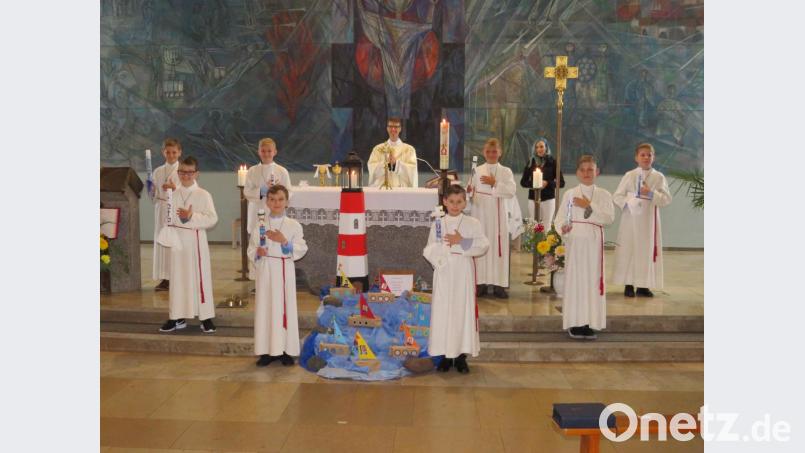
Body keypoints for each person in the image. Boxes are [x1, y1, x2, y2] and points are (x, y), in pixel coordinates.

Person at [423, 184, 489, 373]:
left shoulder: (472, 223)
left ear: (464, 202)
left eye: (459, 201)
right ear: (444, 202)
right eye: (451, 201)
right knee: (443, 311)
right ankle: (444, 356)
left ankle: (460, 356)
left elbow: (483, 245)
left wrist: (461, 242)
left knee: (461, 311)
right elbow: (429, 249)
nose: (454, 205)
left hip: (462, 272)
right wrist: (443, 256)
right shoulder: (437, 223)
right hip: (444, 272)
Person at [247, 185, 308, 366]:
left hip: (283, 270)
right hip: (266, 270)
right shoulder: (260, 225)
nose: (276, 203)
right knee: (266, 308)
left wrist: (284, 242)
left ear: (287, 202)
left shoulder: (293, 225)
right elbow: (252, 248)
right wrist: (257, 252)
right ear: (267, 202)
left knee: (284, 309)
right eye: (272, 200)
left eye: (281, 199)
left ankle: (285, 350)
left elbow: (301, 248)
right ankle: (266, 351)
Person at [555, 155, 615, 340]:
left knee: (592, 282)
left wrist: (589, 205)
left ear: (597, 172)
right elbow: (560, 219)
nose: (587, 173)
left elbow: (609, 218)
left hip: (594, 244)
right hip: (576, 243)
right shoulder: (570, 194)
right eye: (583, 169)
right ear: (577, 173)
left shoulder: (604, 194)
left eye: (591, 169)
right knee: (576, 282)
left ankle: (589, 322)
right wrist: (562, 228)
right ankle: (575, 322)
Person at [157, 157, 219, 333]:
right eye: (182, 172)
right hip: (177, 242)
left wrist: (191, 217)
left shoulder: (203, 195)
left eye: (189, 172)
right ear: (178, 173)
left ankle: (205, 317)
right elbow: (168, 218)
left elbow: (212, 218)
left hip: (195, 241)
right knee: (178, 279)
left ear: (196, 174)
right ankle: (176, 316)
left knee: (199, 278)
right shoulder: (173, 195)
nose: (185, 175)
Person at [612, 143, 672, 297]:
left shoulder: (658, 177)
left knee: (645, 251)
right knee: (629, 250)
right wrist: (630, 200)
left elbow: (666, 199)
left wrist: (651, 193)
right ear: (636, 157)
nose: (646, 157)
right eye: (643, 155)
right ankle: (629, 284)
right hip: (630, 220)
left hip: (648, 222)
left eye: (649, 155)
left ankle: (643, 285)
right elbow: (617, 195)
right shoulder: (629, 175)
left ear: (654, 157)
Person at [468, 138, 517, 298]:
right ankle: (480, 283)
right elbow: (469, 191)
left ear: (500, 153)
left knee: (498, 247)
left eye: (494, 151)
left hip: (497, 214)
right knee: (480, 244)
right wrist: (469, 190)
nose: (491, 154)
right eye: (488, 151)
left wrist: (495, 183)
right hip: (480, 212)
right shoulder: (476, 170)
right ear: (483, 153)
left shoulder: (506, 171)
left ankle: (498, 285)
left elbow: (511, 191)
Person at [244, 138, 292, 237]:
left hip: (276, 210)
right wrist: (263, 190)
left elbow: (289, 192)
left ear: (275, 152)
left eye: (269, 151)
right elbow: (247, 192)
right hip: (257, 210)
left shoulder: (282, 171)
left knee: (275, 238)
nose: (266, 154)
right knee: (257, 241)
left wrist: (277, 193)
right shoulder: (252, 171)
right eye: (263, 151)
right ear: (259, 152)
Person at [151, 138, 182, 291]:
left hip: (175, 210)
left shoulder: (183, 171)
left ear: (179, 153)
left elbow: (187, 192)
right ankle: (164, 277)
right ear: (163, 152)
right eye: (168, 152)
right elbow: (153, 195)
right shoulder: (157, 171)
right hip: (161, 208)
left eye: (174, 152)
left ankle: (176, 276)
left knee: (174, 242)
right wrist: (152, 189)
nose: (171, 155)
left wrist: (174, 188)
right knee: (162, 241)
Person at [519, 138, 565, 227]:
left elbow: (562, 183)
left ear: (546, 148)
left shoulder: (553, 162)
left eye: (541, 146)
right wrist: (535, 184)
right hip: (533, 199)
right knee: (535, 226)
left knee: (546, 226)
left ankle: (546, 241)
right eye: (537, 147)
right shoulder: (531, 162)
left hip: (548, 199)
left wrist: (547, 183)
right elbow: (523, 182)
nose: (539, 149)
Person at [367, 117, 418, 188]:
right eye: (390, 126)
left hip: (402, 192)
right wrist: (386, 164)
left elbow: (412, 172)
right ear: (387, 128)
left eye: (396, 127)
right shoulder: (378, 149)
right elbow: (372, 170)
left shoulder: (409, 150)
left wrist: (396, 164)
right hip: (382, 191)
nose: (393, 129)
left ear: (400, 129)